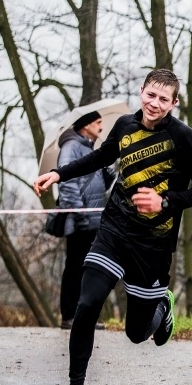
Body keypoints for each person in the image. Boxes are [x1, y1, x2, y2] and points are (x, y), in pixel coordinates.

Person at [33, 69, 192, 385]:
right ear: (142, 92)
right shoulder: (125, 127)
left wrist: (164, 201)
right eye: (151, 95)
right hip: (114, 230)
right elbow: (100, 158)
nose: (155, 104)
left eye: (164, 99)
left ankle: (162, 304)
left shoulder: (184, 138)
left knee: (136, 334)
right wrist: (59, 173)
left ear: (174, 103)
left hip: (153, 244)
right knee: (86, 305)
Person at [55, 110, 114, 330]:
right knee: (74, 268)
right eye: (98, 122)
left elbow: (98, 186)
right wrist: (78, 214)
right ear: (86, 124)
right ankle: (69, 316)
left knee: (90, 269)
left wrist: (108, 176)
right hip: (81, 219)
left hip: (93, 219)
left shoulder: (90, 149)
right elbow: (67, 183)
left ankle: (84, 315)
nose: (101, 127)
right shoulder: (71, 147)